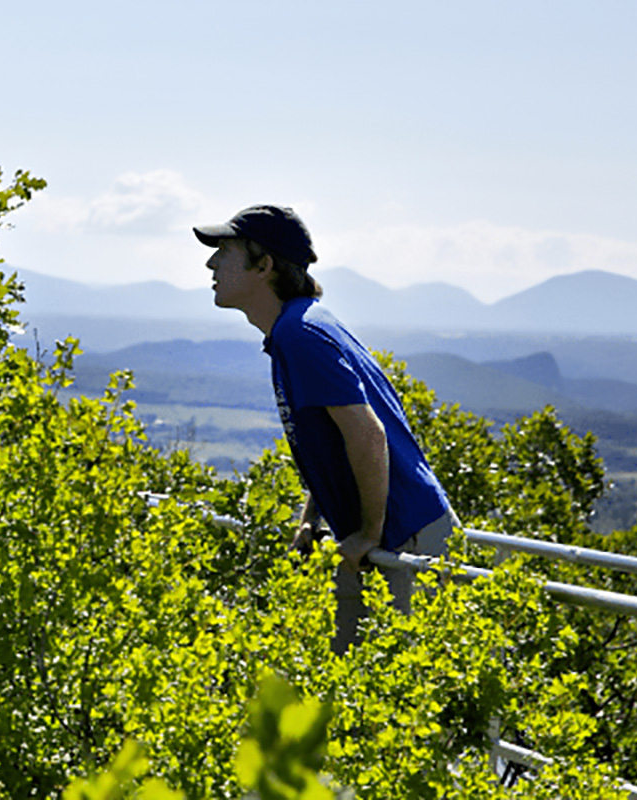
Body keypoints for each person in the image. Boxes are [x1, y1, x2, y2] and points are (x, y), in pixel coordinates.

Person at [192, 205, 457, 654]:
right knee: (345, 685)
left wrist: (369, 534)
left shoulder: (301, 335)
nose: (210, 263)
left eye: (225, 251)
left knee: (403, 705)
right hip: (384, 540)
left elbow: (367, 435)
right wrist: (312, 519)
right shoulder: (300, 326)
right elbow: (333, 438)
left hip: (404, 540)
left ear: (264, 265)